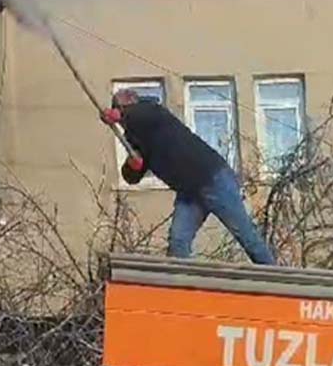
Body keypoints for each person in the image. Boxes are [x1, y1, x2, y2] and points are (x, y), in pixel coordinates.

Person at [102, 89, 276, 265]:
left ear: (129, 106)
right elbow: (131, 177)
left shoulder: (153, 112)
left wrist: (121, 114)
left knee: (247, 236)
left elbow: (142, 114)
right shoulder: (134, 138)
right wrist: (133, 167)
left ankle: (277, 280)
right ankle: (180, 286)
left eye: (122, 110)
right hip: (189, 192)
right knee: (178, 242)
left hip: (213, 178)